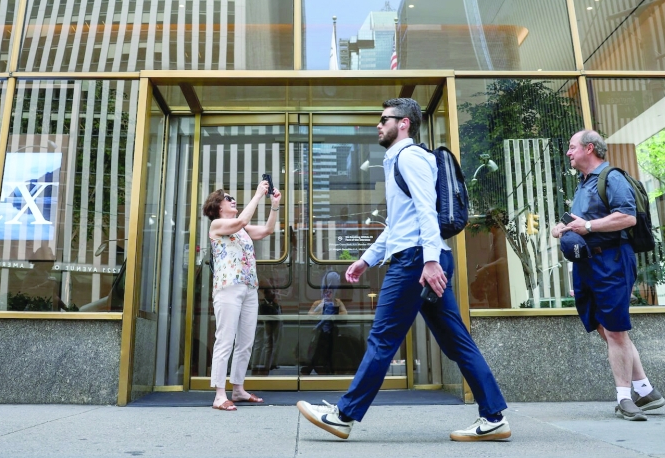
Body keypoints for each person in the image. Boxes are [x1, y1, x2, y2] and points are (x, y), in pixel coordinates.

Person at [297, 98, 510, 442]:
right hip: (421, 256)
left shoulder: (409, 157)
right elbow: (399, 223)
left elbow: (426, 210)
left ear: (404, 124)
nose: (378, 125)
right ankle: (494, 416)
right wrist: (367, 258)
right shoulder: (400, 159)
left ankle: (343, 415)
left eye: (384, 120)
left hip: (415, 261)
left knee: (383, 338)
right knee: (457, 341)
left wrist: (428, 261)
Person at [551, 130, 665, 422]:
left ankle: (625, 399)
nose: (568, 152)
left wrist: (587, 227)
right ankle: (645, 389)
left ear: (589, 149)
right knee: (606, 328)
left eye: (572, 147)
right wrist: (563, 228)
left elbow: (627, 217)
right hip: (588, 264)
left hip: (611, 261)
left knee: (615, 331)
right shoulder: (583, 184)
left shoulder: (612, 177)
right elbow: (584, 222)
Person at [203, 181, 281, 411]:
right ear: (217, 207)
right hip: (228, 287)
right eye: (228, 198)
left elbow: (267, 230)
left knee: (246, 342)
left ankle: (237, 389)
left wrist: (275, 206)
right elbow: (241, 221)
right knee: (225, 340)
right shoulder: (218, 225)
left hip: (248, 287)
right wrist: (258, 195)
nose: (232, 200)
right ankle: (219, 394)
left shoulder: (242, 230)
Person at [301, 271, 349, 375]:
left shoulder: (337, 302)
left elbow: (345, 314)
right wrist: (321, 310)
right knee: (316, 351)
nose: (328, 294)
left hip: (333, 332)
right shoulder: (318, 303)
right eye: (326, 292)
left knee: (331, 351)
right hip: (320, 332)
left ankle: (329, 369)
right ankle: (309, 368)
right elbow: (310, 315)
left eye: (330, 292)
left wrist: (333, 316)